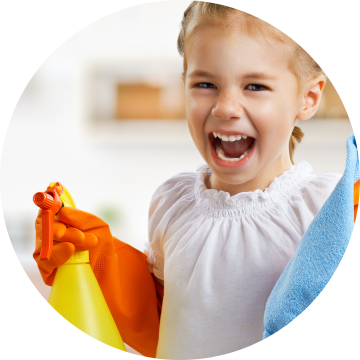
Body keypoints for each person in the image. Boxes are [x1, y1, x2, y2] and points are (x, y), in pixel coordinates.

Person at [33, 2, 359, 359]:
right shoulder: (171, 202)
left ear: (308, 98)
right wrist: (97, 259)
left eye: (255, 86)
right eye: (205, 84)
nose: (225, 107)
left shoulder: (329, 208)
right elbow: (158, 325)